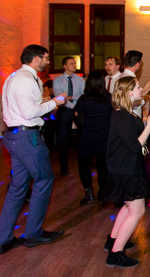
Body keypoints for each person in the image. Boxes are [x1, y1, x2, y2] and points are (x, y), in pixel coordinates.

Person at [0, 45, 66, 255]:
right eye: (46, 58)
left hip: (15, 136)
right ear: (37, 59)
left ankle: (3, 238)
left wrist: (44, 102)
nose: (48, 61)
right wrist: (54, 103)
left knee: (18, 186)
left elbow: (23, 106)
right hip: (27, 137)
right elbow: (29, 112)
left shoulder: (14, 77)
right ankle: (34, 233)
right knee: (44, 179)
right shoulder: (26, 79)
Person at [104, 76, 150, 268]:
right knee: (137, 210)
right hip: (126, 169)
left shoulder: (123, 112)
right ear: (127, 92)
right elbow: (135, 146)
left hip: (125, 166)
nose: (140, 88)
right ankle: (116, 253)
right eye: (137, 87)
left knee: (128, 206)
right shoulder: (122, 116)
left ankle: (113, 240)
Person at [74, 71, 113, 204]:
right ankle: (103, 192)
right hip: (105, 138)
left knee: (84, 166)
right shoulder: (109, 98)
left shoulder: (83, 100)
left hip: (87, 137)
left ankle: (89, 193)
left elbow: (80, 122)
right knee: (103, 166)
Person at [53, 56, 85, 175]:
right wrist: (73, 105)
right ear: (65, 66)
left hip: (78, 109)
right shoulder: (58, 80)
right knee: (63, 139)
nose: (74, 65)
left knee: (84, 134)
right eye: (71, 63)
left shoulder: (80, 80)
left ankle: (86, 162)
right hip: (65, 110)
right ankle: (64, 167)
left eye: (74, 63)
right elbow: (60, 98)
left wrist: (70, 97)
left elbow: (83, 95)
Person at [119, 50, 144, 117]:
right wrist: (142, 101)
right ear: (137, 65)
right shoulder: (130, 79)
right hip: (131, 117)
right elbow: (128, 103)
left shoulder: (120, 76)